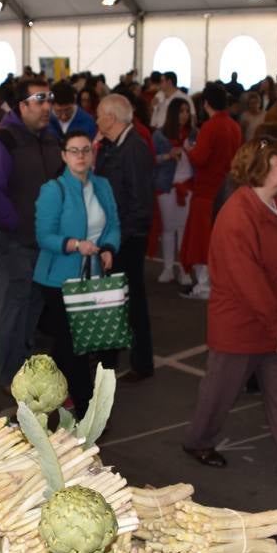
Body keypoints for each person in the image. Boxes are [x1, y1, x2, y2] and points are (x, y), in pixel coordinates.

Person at [183, 136, 277, 486]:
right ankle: (199, 441)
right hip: (243, 325)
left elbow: (274, 261)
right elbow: (247, 278)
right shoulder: (238, 214)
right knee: (220, 393)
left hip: (274, 322)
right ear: (260, 170)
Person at [0, 80, 63, 390]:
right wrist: (17, 226)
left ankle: (26, 371)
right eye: (39, 99)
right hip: (15, 242)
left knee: (33, 307)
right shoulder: (3, 141)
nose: (47, 106)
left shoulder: (50, 139)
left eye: (49, 99)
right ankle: (11, 377)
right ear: (22, 106)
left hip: (45, 245)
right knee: (15, 309)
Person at [33, 131, 120, 414]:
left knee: (81, 342)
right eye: (74, 151)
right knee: (75, 344)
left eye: (85, 150)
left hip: (93, 276)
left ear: (93, 154)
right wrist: (73, 245)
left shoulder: (103, 186)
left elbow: (114, 225)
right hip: (59, 279)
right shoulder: (53, 190)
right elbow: (43, 235)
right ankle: (83, 406)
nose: (80, 156)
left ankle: (52, 391)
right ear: (64, 155)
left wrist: (108, 247)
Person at [93, 94, 155, 382]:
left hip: (127, 238)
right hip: (120, 235)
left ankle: (138, 362)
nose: (96, 120)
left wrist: (119, 238)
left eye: (99, 115)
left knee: (130, 301)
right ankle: (116, 360)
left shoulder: (134, 148)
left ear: (111, 118)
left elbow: (140, 200)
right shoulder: (113, 146)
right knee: (120, 300)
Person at [180, 83, 244, 299]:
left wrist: (189, 150)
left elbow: (200, 158)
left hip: (207, 191)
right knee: (221, 241)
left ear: (205, 103)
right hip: (228, 190)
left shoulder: (210, 126)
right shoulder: (234, 126)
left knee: (202, 241)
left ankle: (204, 285)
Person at [153, 97, 196, 285]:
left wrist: (192, 151)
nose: (185, 115)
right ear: (173, 113)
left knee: (184, 230)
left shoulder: (194, 134)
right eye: (181, 111)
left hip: (188, 186)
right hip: (167, 186)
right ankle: (168, 268)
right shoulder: (160, 136)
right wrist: (168, 155)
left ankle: (184, 270)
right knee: (169, 229)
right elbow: (151, 159)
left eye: (187, 111)